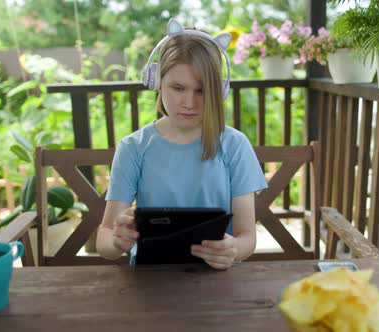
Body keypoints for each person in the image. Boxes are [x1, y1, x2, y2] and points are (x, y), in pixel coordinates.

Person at [96, 19, 267, 269]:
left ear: (219, 91)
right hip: (150, 280)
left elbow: (247, 238)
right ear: (156, 81)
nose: (189, 102)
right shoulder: (133, 147)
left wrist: (234, 249)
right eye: (178, 87)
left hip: (217, 280)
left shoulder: (235, 145)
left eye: (201, 90)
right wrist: (116, 240)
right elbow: (104, 239)